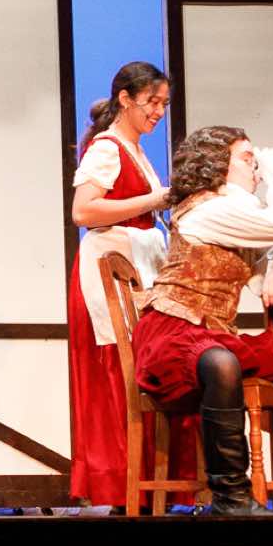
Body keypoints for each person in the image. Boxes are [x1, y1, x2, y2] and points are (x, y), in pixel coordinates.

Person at [129, 125, 273, 515]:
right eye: (247, 158)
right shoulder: (209, 209)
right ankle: (231, 497)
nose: (255, 166)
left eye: (256, 159)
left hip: (213, 335)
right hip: (172, 332)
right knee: (221, 363)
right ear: (216, 165)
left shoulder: (236, 214)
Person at [66, 62, 175, 508]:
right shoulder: (108, 148)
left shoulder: (134, 149)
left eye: (164, 104)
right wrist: (155, 198)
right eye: (151, 102)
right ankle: (121, 484)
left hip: (136, 263)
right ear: (125, 99)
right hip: (108, 273)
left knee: (141, 370)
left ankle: (145, 483)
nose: (158, 112)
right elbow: (83, 212)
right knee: (117, 373)